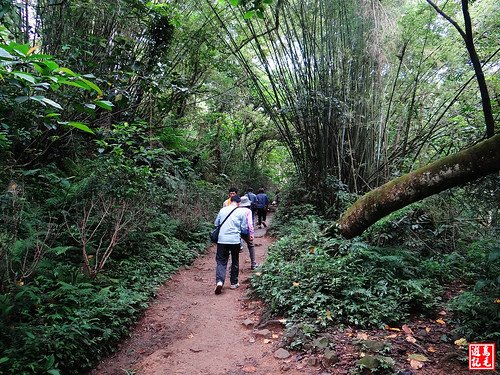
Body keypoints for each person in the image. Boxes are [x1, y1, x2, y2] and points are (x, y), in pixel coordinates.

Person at [214, 195, 248, 294]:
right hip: (235, 240)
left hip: (222, 240)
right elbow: (244, 229)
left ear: (231, 201)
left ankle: (220, 281)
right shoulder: (241, 212)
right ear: (239, 203)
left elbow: (216, 224)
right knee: (235, 260)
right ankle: (234, 282)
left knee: (221, 261)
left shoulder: (222, 210)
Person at [238, 196, 258, 270]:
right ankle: (253, 263)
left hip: (236, 231)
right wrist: (252, 233)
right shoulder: (248, 211)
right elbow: (250, 223)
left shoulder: (236, 210)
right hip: (245, 231)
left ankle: (232, 267)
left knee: (234, 248)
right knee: (251, 245)